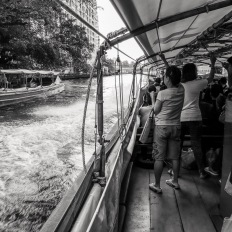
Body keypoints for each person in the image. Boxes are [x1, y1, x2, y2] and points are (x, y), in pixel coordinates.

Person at [149, 54, 184, 193]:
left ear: (168, 78)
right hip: (176, 126)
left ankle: (157, 185)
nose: (163, 78)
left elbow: (156, 111)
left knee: (159, 157)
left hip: (162, 127)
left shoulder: (162, 93)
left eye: (165, 76)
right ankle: (175, 181)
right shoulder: (181, 90)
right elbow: (176, 78)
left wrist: (153, 98)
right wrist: (166, 62)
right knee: (175, 157)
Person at [180, 55, 216, 179]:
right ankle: (201, 171)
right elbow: (211, 78)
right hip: (195, 117)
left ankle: (174, 171)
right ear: (194, 72)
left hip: (181, 117)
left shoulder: (180, 84)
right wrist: (212, 63)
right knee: (196, 145)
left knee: (178, 144)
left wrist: (164, 60)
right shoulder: (198, 83)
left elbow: (171, 73)